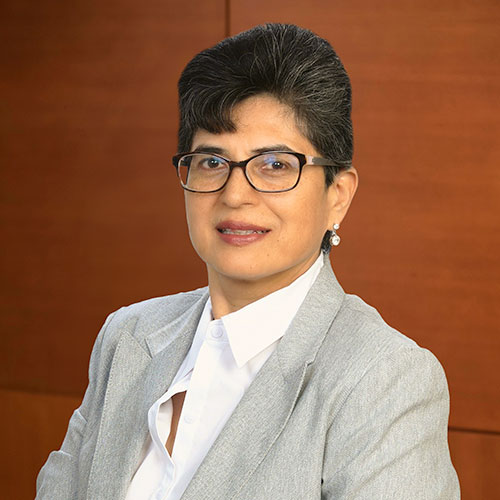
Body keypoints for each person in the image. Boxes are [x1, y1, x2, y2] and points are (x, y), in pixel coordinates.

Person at [36, 23, 460, 499]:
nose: (235, 194)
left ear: (337, 195)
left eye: (275, 164)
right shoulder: (127, 337)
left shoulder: (384, 380)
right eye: (212, 162)